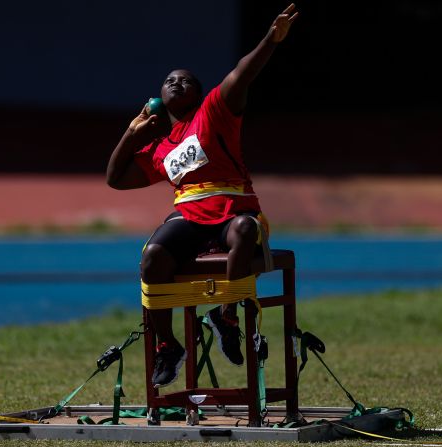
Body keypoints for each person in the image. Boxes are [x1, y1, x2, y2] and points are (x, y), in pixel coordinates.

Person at [106, 4, 299, 388]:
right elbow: (115, 178)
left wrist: (269, 40)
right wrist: (132, 134)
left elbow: (243, 74)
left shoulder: (215, 111)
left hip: (233, 210)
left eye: (185, 80)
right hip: (189, 217)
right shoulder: (161, 149)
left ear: (199, 91)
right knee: (152, 257)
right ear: (160, 96)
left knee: (244, 231)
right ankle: (168, 346)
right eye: (169, 81)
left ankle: (225, 317)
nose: (176, 83)